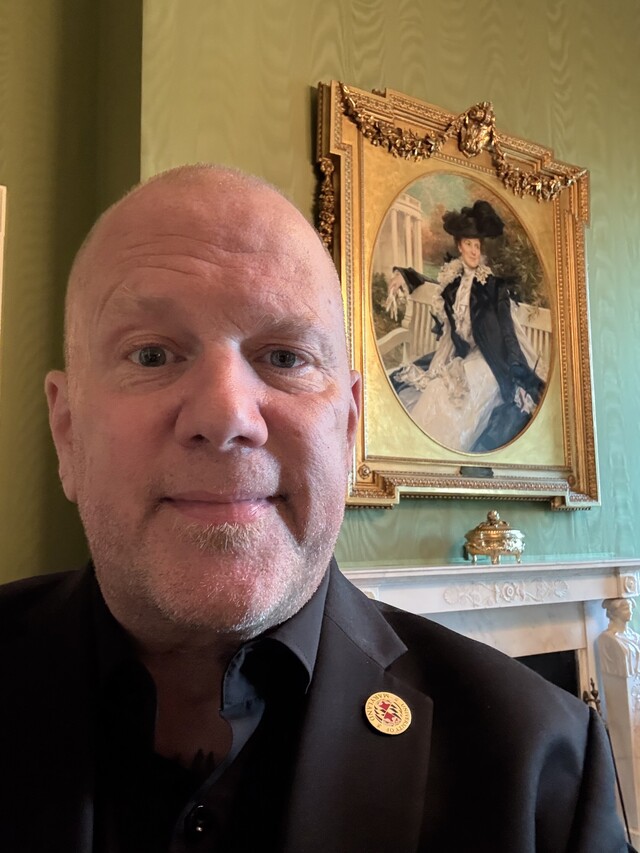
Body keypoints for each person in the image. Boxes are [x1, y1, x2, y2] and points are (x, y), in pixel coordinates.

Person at [0, 165, 633, 853]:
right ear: (66, 431)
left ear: (349, 429)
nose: (227, 416)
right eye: (151, 355)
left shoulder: (545, 773)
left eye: (284, 356)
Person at [391, 200, 545, 452]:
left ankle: (446, 452)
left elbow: (508, 332)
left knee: (463, 396)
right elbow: (432, 285)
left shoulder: (492, 287)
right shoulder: (452, 283)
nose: (474, 251)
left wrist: (518, 372)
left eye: (477, 245)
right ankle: (419, 451)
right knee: (437, 389)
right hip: (467, 357)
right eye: (469, 244)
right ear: (459, 246)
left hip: (493, 363)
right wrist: (405, 276)